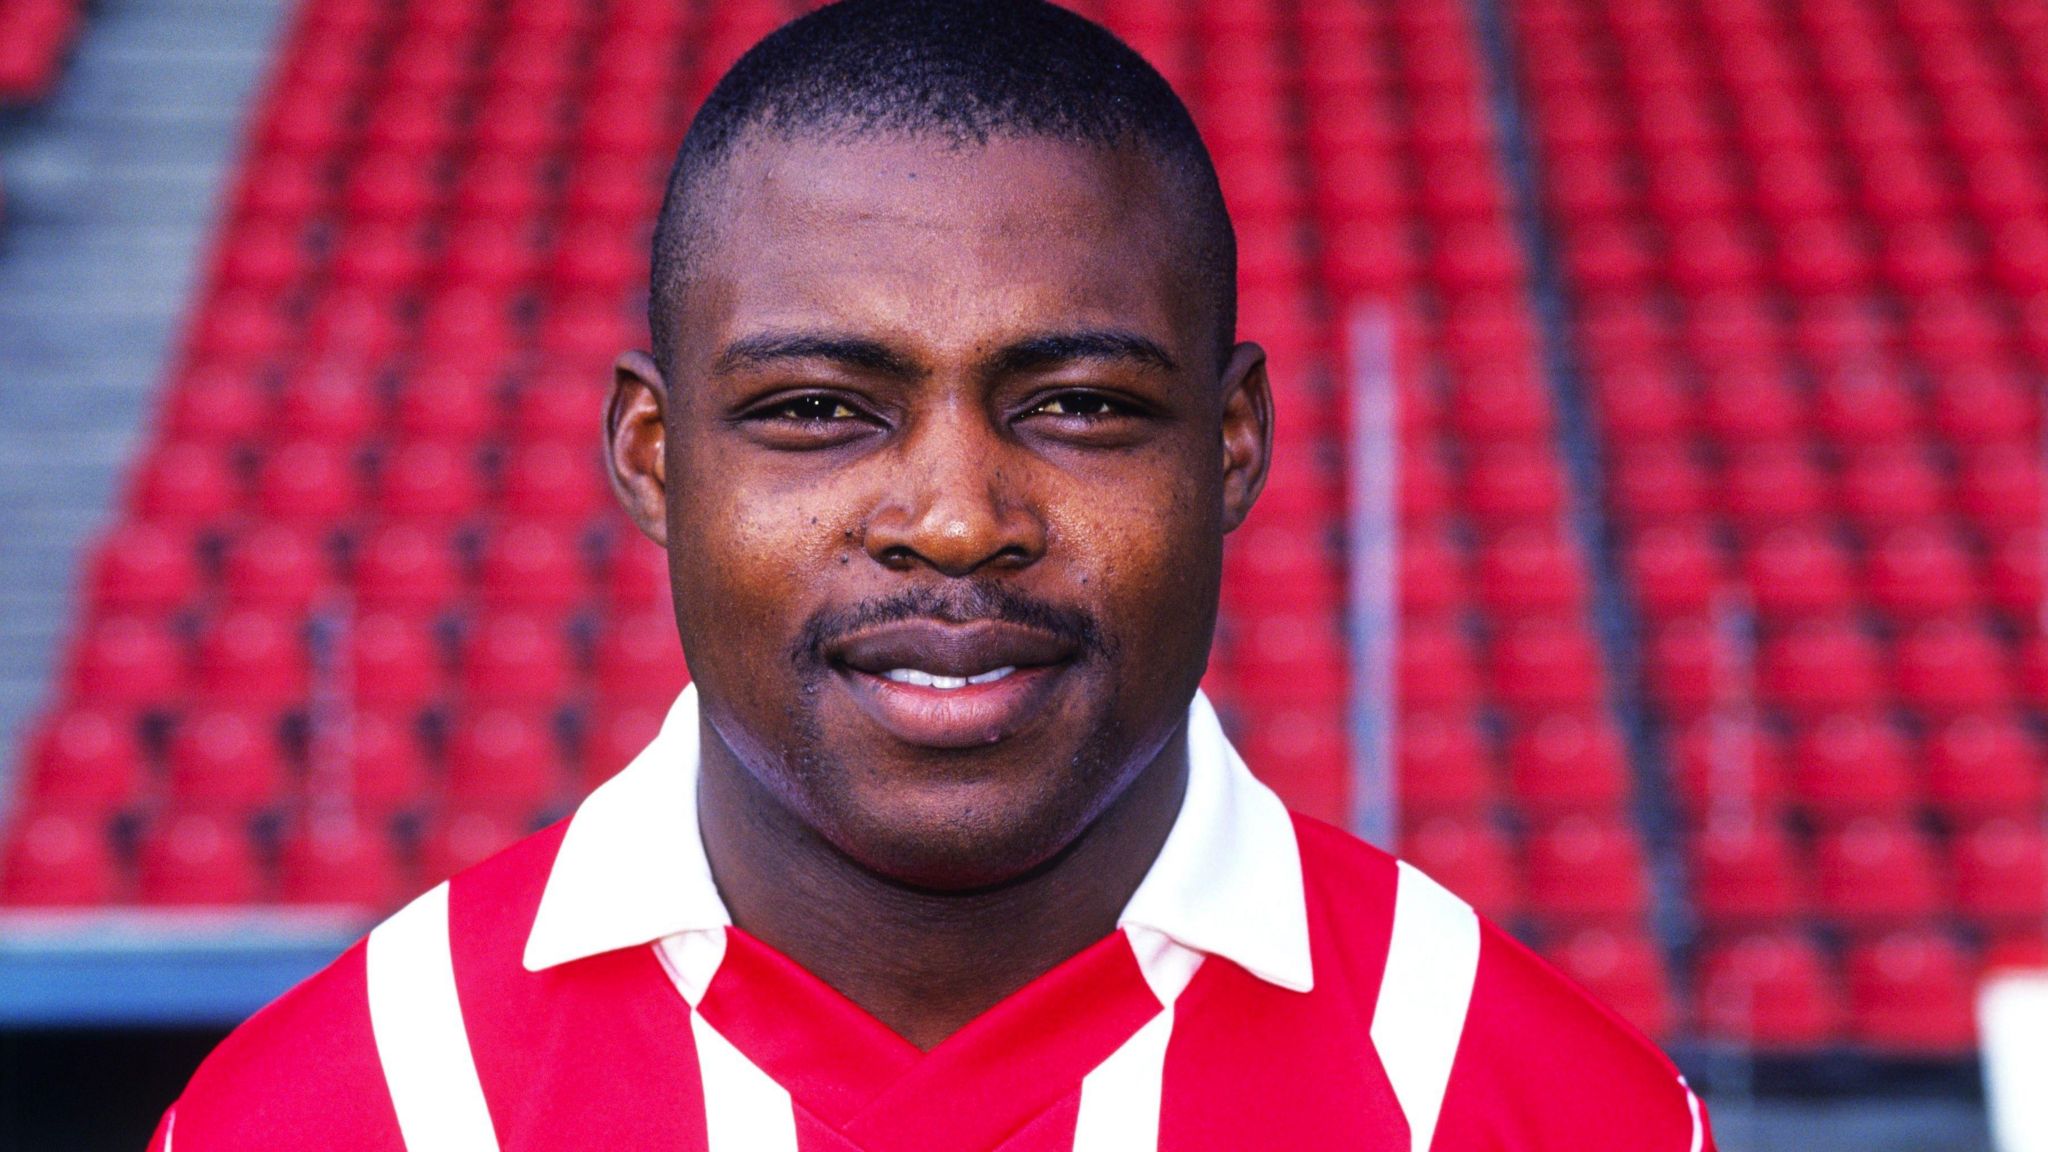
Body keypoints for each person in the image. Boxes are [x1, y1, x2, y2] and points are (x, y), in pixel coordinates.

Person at [150, 1, 1713, 1147]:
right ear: (652, 453)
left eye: (1079, 406)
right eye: (819, 410)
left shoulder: (1538, 1108)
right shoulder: (345, 1106)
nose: (957, 519)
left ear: (1230, 446)